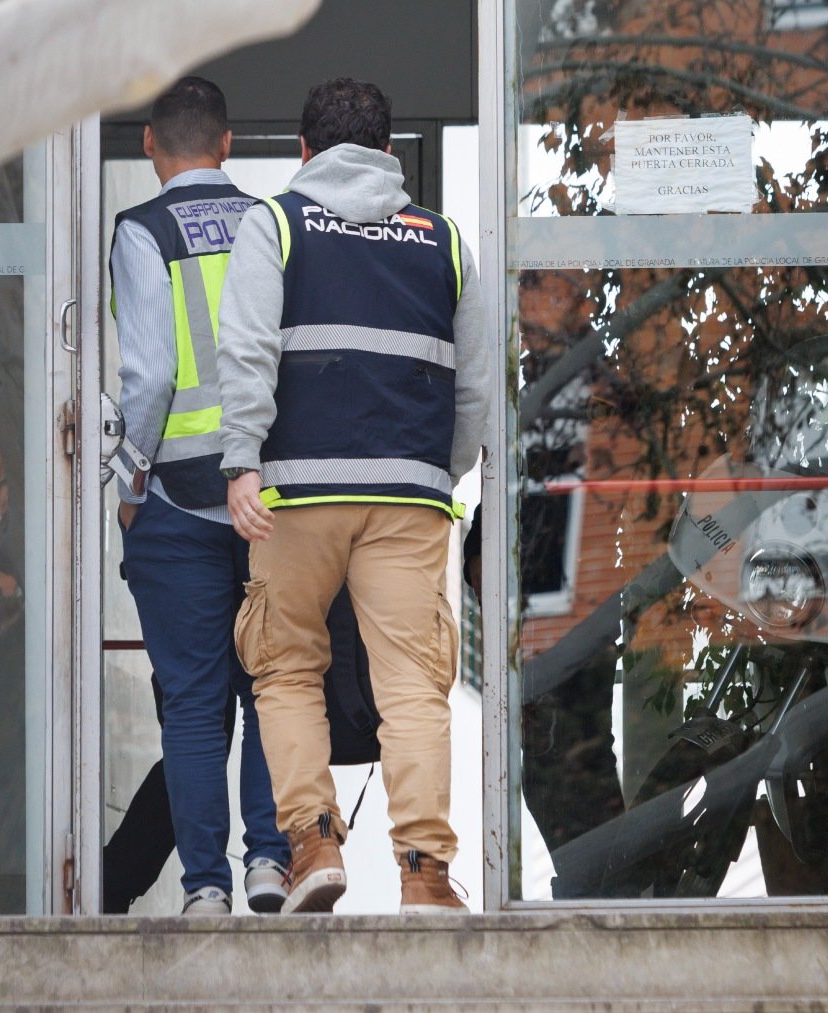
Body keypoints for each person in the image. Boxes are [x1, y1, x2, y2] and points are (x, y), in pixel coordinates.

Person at [216, 77, 490, 914]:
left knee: (287, 665)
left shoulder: (278, 223)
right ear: (388, 150)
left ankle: (311, 846)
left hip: (295, 496)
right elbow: (474, 388)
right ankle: (426, 874)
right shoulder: (443, 242)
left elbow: (249, 348)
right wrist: (437, 473)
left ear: (305, 151)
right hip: (409, 496)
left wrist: (242, 462)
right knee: (412, 682)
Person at [109, 76, 288, 916]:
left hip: (177, 502)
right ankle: (270, 864)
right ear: (228, 144)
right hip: (268, 501)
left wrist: (127, 482)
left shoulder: (142, 232)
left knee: (191, 704)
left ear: (149, 143)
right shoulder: (270, 222)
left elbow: (147, 376)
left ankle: (205, 888)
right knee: (271, 689)